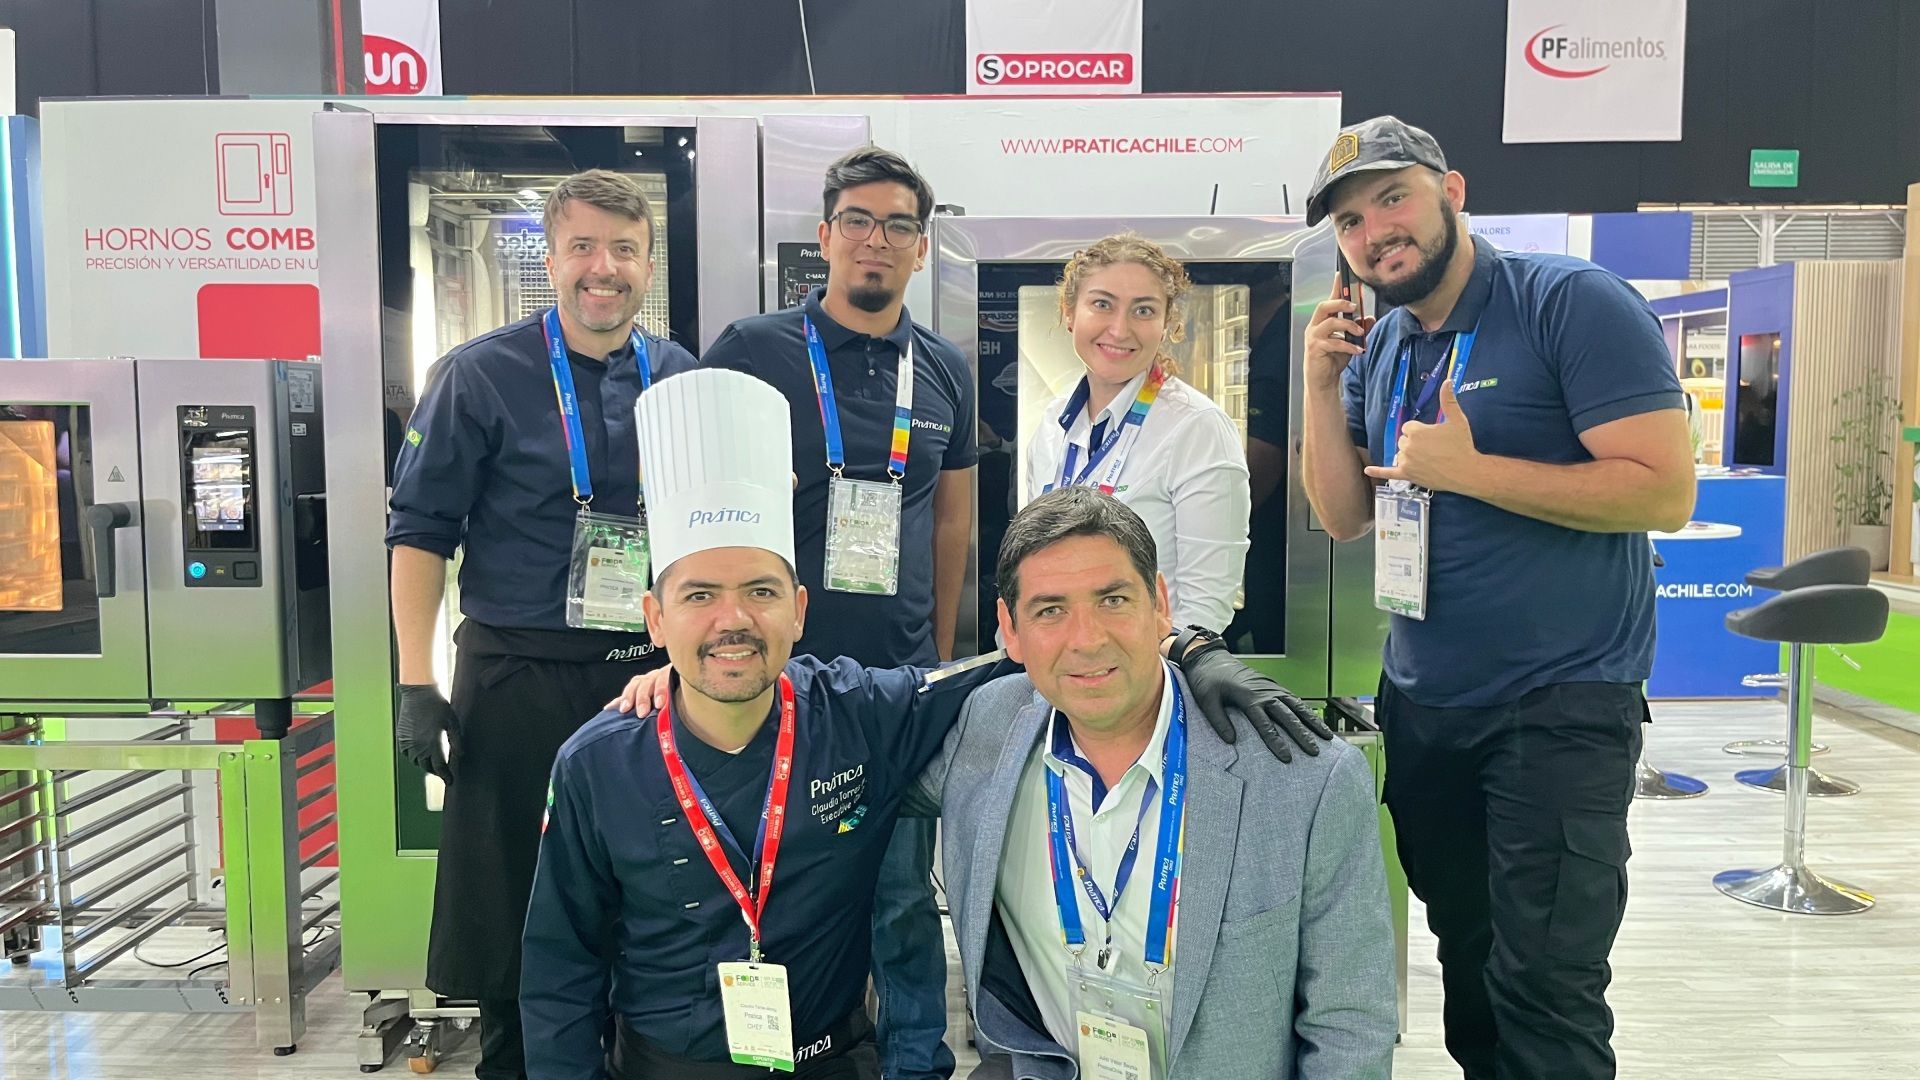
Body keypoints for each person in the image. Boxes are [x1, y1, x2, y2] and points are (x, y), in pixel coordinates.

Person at [521, 368, 1330, 1080]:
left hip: (835, 1062)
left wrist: (1189, 647)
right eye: (699, 597)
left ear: (799, 610)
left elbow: (1044, 653)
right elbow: (559, 969)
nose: (734, 620)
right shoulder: (597, 763)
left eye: (760, 592)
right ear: (653, 617)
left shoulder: (860, 714)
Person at [1299, 116, 1695, 1080]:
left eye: (1392, 198)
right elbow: (1345, 515)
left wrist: (1475, 472)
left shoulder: (1573, 302)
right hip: (1426, 704)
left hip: (1557, 708)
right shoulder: (1387, 343)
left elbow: (1663, 493)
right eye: (1351, 220)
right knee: (1469, 971)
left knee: (1548, 986)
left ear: (1454, 191)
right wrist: (1318, 381)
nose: (1374, 230)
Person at [908, 487, 1394, 1079]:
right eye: (1050, 610)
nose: (1086, 638)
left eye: (1112, 599)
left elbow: (1349, 1027)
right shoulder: (983, 730)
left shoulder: (1302, 779)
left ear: (1160, 605)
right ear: (1009, 629)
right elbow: (831, 742)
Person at [385, 169, 697, 1080]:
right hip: (515, 673)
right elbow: (419, 533)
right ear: (552, 259)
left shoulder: (677, 375)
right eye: (585, 248)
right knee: (513, 907)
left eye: (625, 251)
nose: (605, 269)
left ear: (649, 264)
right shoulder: (480, 374)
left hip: (644, 674)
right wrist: (416, 683)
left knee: (646, 888)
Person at [698, 146, 974, 1080]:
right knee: (771, 888)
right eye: (857, 220)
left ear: (921, 249)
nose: (876, 240)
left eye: (898, 225)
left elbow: (953, 522)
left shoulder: (944, 369)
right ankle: (774, 1057)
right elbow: (705, 505)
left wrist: (937, 660)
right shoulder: (752, 349)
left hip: (893, 681)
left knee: (900, 894)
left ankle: (912, 1063)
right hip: (775, 675)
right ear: (825, 238)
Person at [1021, 235, 1251, 631]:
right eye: (1102, 304)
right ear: (1069, 312)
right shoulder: (1051, 426)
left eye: (1143, 310)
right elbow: (1029, 567)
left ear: (1167, 325)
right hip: (1055, 666)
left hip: (1147, 675)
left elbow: (1204, 610)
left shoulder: (1196, 427)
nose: (1119, 328)